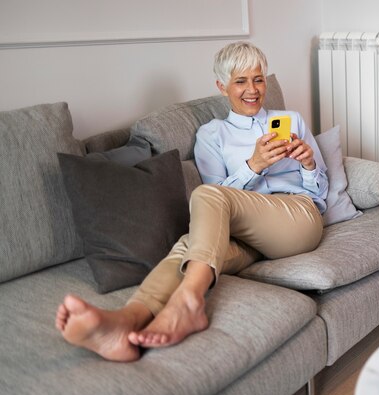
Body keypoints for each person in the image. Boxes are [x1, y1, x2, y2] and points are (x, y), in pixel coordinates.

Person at [55, 41, 329, 362]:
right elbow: (215, 205)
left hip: (297, 219)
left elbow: (319, 195)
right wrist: (253, 165)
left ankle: (189, 301)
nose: (252, 89)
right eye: (240, 81)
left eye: (258, 79)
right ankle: (123, 322)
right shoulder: (212, 135)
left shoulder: (291, 120)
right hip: (246, 236)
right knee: (190, 244)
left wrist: (309, 165)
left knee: (205, 198)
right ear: (221, 86)